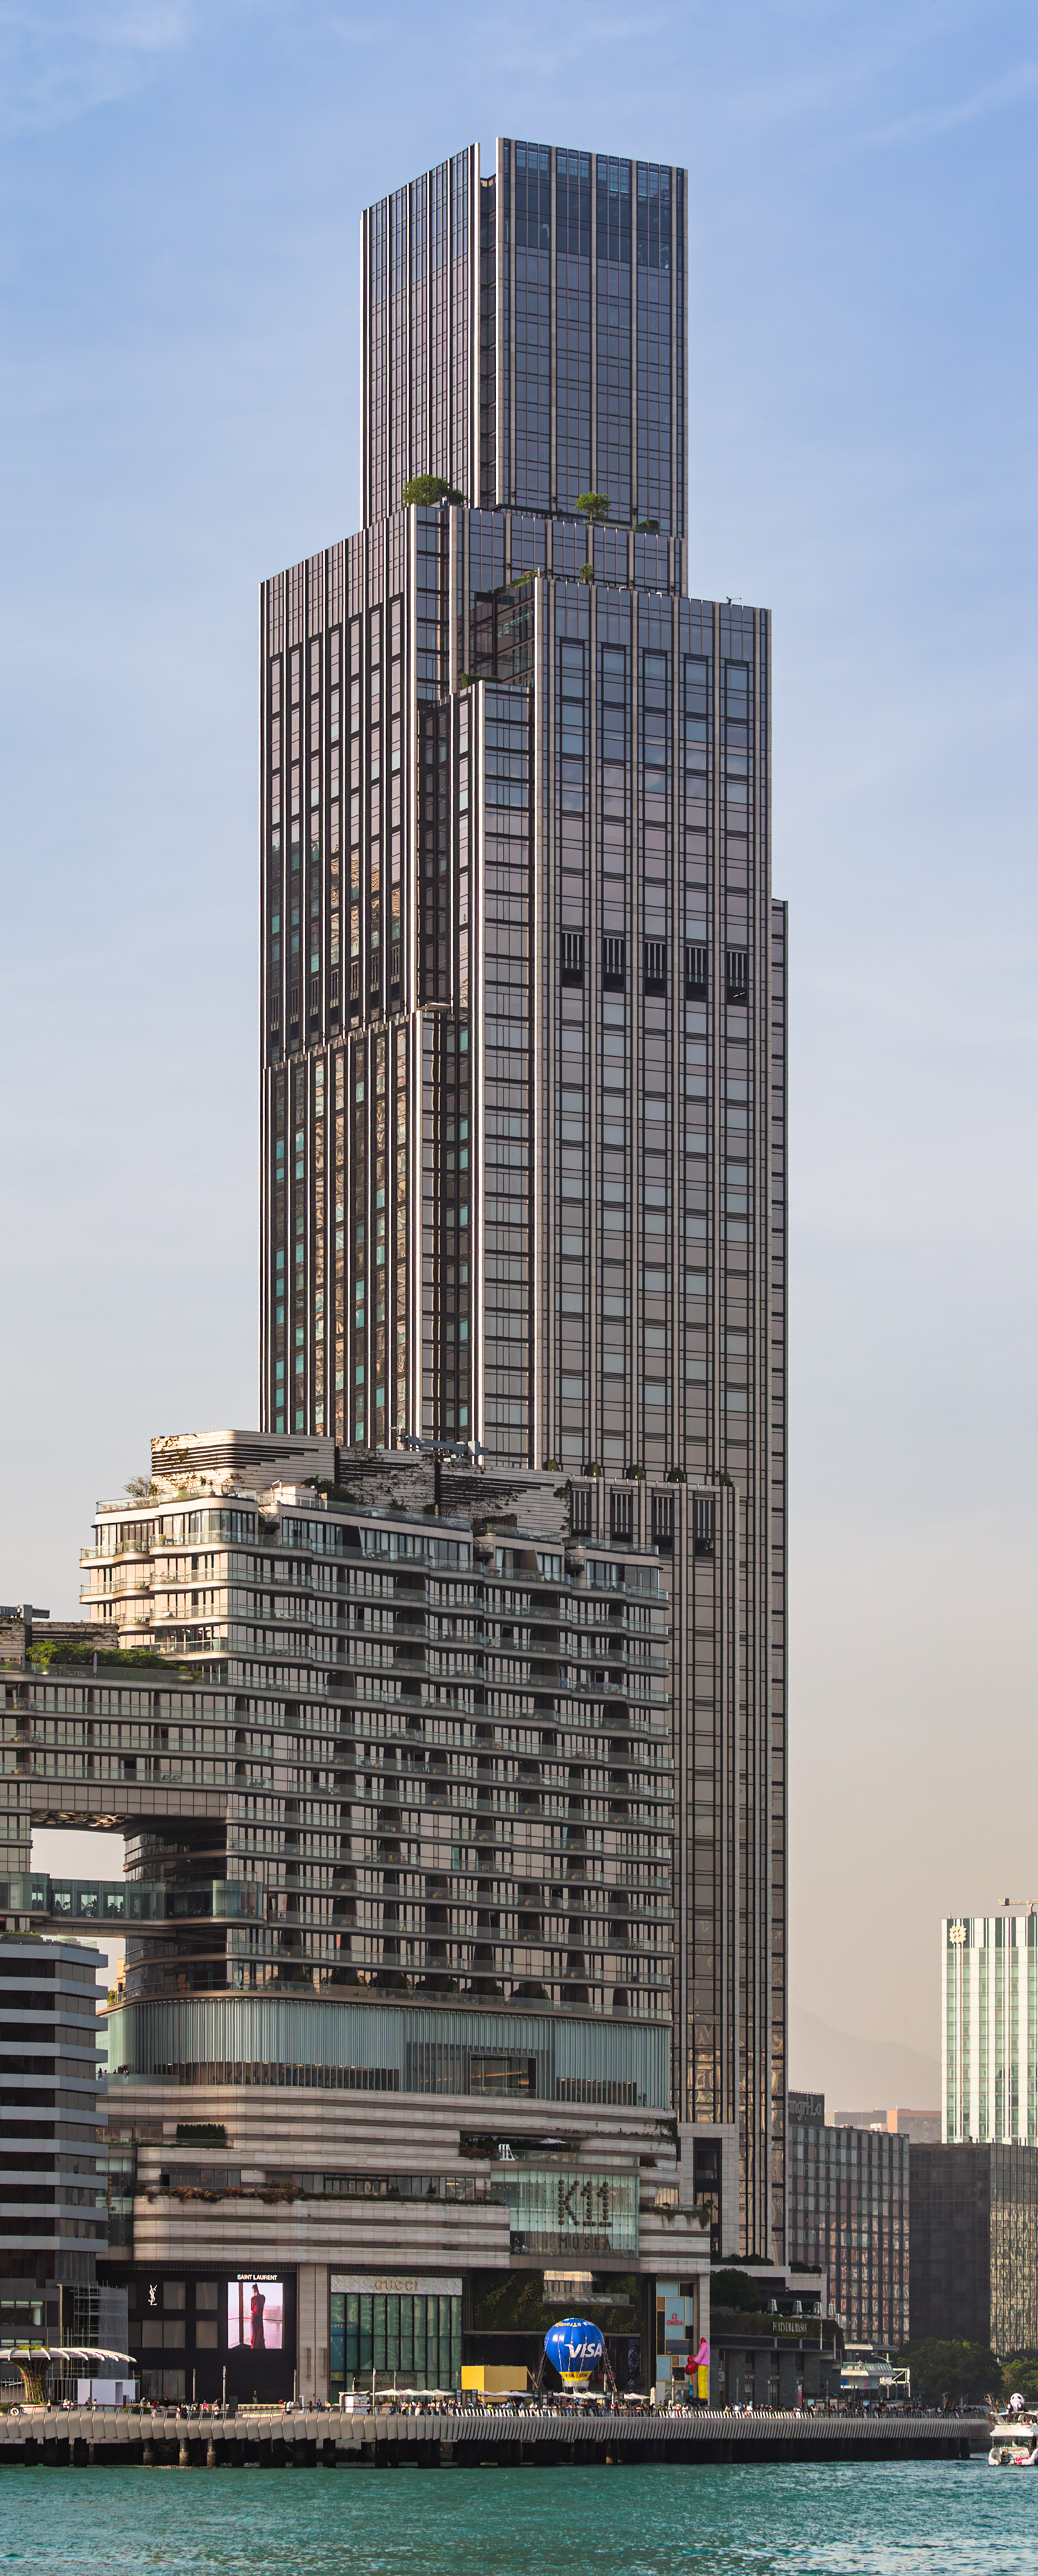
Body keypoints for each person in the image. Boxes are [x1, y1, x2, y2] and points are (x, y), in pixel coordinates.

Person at [249, 2284, 266, 2351]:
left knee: (254, 2333)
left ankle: (254, 2346)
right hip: (260, 2318)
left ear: (253, 2290)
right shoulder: (263, 2297)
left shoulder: (253, 2299)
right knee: (260, 2332)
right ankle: (260, 2346)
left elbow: (252, 2308)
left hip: (255, 2318)